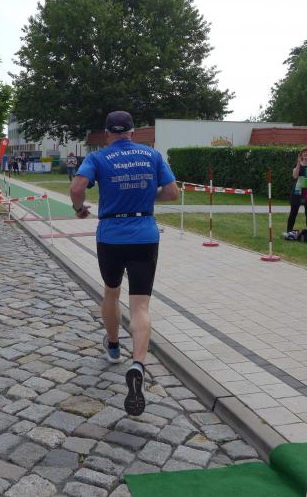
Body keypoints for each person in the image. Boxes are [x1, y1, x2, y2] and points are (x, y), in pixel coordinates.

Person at [70, 110, 179, 416]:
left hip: (111, 235)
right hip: (144, 233)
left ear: (107, 133)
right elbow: (172, 193)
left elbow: (77, 188)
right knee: (140, 306)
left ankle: (114, 346)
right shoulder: (152, 155)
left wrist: (78, 209)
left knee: (111, 291)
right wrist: (146, 198)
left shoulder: (99, 157)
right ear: (133, 132)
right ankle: (138, 364)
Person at [284, 146, 307, 239]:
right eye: (304, 152)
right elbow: (295, 176)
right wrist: (299, 163)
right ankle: (289, 231)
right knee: (293, 212)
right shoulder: (297, 164)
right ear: (301, 155)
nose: (306, 154)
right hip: (298, 191)